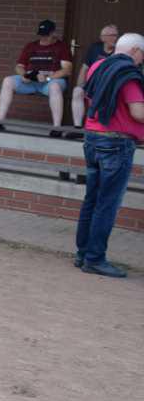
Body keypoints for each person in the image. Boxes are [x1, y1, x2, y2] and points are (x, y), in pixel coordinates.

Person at [72, 33, 144, 278]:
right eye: (142, 55)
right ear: (135, 50)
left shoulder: (97, 66)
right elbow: (137, 112)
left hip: (93, 138)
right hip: (117, 143)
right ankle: (95, 258)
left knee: (92, 200)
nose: (141, 61)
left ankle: (82, 254)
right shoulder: (127, 73)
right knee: (107, 204)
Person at [0, 19, 73, 128]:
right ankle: (0, 121)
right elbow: (19, 66)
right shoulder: (31, 46)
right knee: (8, 81)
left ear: (53, 33)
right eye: (41, 35)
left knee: (55, 86)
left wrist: (48, 78)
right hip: (31, 81)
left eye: (46, 35)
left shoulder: (62, 47)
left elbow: (67, 70)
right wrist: (24, 75)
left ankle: (57, 127)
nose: (43, 38)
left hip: (50, 82)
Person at [71, 23, 119, 126]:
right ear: (103, 38)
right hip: (92, 84)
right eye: (112, 35)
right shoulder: (95, 48)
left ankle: (93, 126)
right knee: (77, 91)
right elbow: (85, 68)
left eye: (116, 35)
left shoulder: (119, 51)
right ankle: (77, 126)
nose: (115, 38)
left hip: (108, 86)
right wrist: (80, 85)